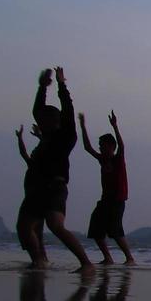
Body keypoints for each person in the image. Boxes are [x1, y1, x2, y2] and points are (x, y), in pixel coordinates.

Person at [21, 67, 94, 272]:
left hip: (55, 187)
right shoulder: (44, 139)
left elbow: (68, 110)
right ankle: (39, 262)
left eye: (45, 120)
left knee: (55, 224)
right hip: (36, 189)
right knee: (25, 229)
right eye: (40, 120)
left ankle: (86, 264)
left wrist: (62, 85)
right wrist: (42, 87)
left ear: (56, 121)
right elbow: (37, 109)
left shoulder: (65, 136)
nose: (40, 122)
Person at [79, 110, 135, 265]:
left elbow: (122, 145)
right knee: (96, 229)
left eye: (103, 145)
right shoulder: (102, 159)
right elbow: (87, 147)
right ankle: (108, 258)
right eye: (100, 145)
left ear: (111, 146)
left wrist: (115, 126)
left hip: (118, 199)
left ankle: (129, 258)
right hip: (105, 199)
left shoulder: (118, 159)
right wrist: (83, 126)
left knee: (115, 229)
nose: (100, 148)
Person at [14, 124, 46, 266]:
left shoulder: (40, 165)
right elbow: (23, 152)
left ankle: (38, 260)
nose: (32, 154)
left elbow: (45, 148)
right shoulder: (33, 164)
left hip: (35, 198)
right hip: (35, 198)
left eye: (35, 153)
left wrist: (40, 136)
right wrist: (20, 138)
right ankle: (42, 260)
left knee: (26, 228)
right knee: (37, 232)